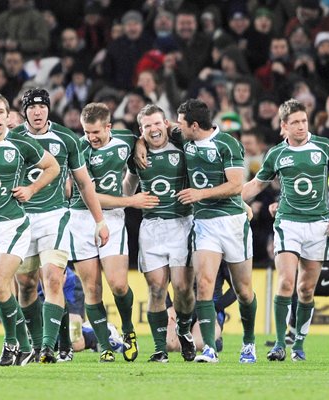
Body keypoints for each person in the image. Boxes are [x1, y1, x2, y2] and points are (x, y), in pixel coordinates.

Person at [137, 99, 257, 363]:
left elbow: (236, 185)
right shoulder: (184, 140)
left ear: (193, 125)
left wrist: (200, 193)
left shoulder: (227, 144)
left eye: (178, 122)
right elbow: (151, 132)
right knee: (203, 285)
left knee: (244, 290)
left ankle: (249, 343)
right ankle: (210, 350)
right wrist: (139, 141)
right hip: (203, 223)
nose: (172, 126)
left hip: (233, 222)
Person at [242, 98, 329, 362]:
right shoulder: (277, 154)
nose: (301, 126)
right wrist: (230, 200)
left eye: (304, 121)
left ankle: (299, 344)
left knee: (305, 289)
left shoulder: (324, 147)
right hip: (288, 223)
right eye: (295, 123)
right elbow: (256, 185)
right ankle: (280, 344)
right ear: (284, 126)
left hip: (318, 225)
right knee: (286, 282)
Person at [0, 91, 60, 366]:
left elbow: (52, 167)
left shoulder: (20, 144)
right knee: (0, 291)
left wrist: (31, 188)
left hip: (15, 224)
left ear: (7, 116)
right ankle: (26, 346)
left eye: (0, 112)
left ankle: (11, 344)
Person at [11, 88, 109, 363]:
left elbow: (84, 183)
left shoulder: (66, 138)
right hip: (21, 219)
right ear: (25, 111)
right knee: (27, 286)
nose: (38, 112)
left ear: (49, 109)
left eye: (42, 107)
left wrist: (100, 220)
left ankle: (47, 348)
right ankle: (45, 342)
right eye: (32, 107)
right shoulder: (13, 138)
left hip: (55, 216)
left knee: (54, 278)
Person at [69, 102, 156, 362]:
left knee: (118, 285)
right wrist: (132, 201)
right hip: (82, 218)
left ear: (109, 127)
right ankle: (106, 344)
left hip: (114, 220)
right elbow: (90, 196)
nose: (91, 137)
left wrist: (140, 143)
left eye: (96, 132)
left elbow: (138, 138)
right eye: (86, 131)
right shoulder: (79, 149)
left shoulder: (125, 139)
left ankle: (128, 330)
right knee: (92, 289)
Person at [123, 104, 196, 363]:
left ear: (166, 123)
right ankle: (159, 349)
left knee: (182, 288)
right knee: (156, 289)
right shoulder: (137, 156)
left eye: (157, 123)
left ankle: (184, 330)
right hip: (151, 228)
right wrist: (131, 199)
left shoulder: (184, 148)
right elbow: (127, 191)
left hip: (181, 223)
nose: (153, 129)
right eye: (147, 126)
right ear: (141, 131)